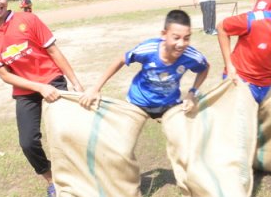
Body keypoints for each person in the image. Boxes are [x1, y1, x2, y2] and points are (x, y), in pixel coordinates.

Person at [0, 0, 83, 197]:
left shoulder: (29, 20)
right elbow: (4, 75)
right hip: (26, 90)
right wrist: (38, 87)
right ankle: (53, 183)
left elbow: (54, 52)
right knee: (28, 142)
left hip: (53, 80)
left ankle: (81, 179)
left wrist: (75, 82)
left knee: (64, 134)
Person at [79, 9, 209, 119]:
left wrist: (192, 93)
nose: (181, 44)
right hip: (138, 102)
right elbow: (121, 60)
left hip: (170, 104)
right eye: (176, 38)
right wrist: (96, 88)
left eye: (186, 38)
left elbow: (205, 68)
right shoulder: (148, 50)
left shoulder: (191, 56)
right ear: (164, 35)